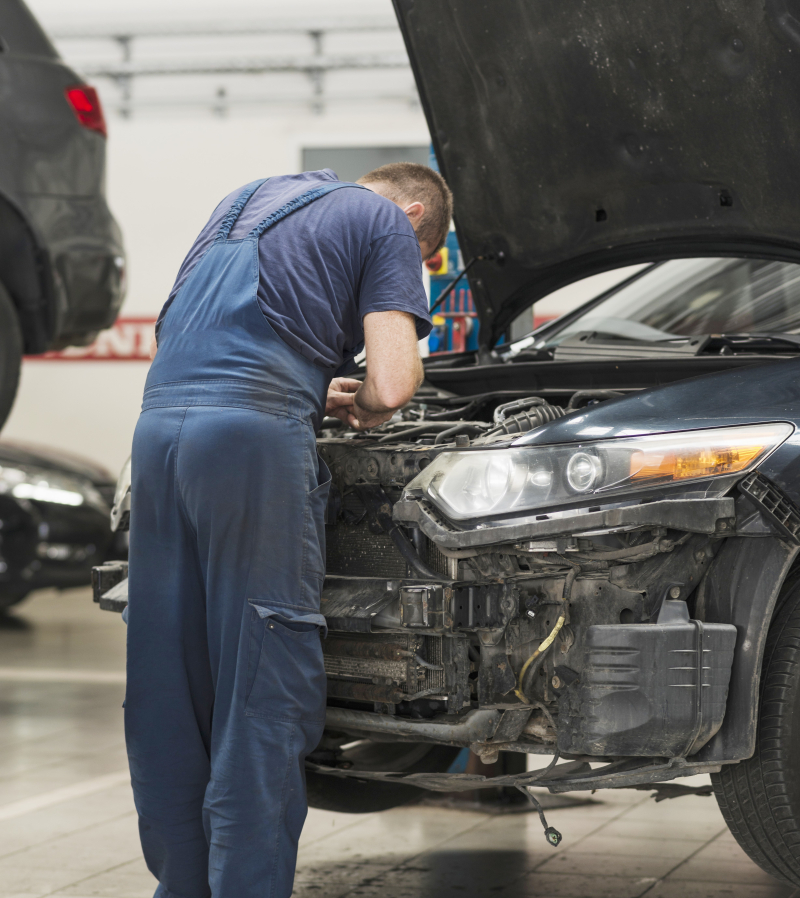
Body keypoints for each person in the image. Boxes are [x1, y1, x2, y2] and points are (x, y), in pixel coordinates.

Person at [124, 162, 453, 898]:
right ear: (412, 216)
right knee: (263, 682)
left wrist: (310, 376)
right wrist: (364, 401)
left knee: (168, 679)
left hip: (158, 435)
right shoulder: (386, 224)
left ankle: (182, 887)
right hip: (249, 442)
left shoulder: (243, 200)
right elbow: (397, 382)